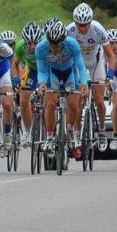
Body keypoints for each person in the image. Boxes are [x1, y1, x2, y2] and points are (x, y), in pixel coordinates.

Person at [66, 2, 115, 151]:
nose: (82, 28)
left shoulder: (98, 30)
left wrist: (110, 75)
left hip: (96, 62)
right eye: (79, 24)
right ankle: (78, 134)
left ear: (90, 22)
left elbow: (110, 55)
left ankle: (101, 130)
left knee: (99, 99)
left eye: (85, 24)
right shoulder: (69, 31)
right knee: (77, 101)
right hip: (78, 62)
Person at [35, 21, 88, 157]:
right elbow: (41, 70)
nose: (55, 48)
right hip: (53, 73)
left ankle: (70, 129)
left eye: (58, 45)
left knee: (73, 102)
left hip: (69, 72)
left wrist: (83, 84)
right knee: (50, 103)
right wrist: (41, 83)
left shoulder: (72, 44)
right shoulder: (41, 48)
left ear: (63, 41)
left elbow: (81, 67)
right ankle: (50, 137)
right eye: (52, 45)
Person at [12, 22, 43, 147]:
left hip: (45, 70)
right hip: (31, 70)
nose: (32, 46)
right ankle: (28, 130)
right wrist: (16, 80)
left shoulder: (46, 43)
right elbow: (15, 64)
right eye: (29, 43)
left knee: (48, 96)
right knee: (23, 97)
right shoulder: (20, 46)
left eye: (35, 43)